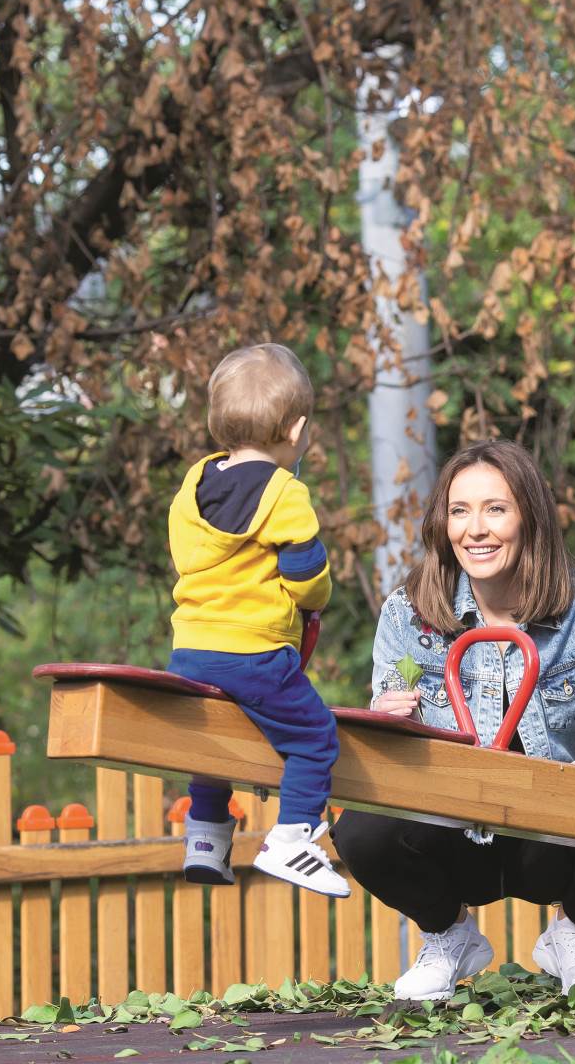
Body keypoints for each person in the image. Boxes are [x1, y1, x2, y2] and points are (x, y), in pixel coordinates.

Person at [333, 439, 575, 1001]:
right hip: (453, 833)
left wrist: (546, 793)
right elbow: (388, 753)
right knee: (362, 829)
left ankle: (573, 931)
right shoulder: (409, 613)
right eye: (460, 511)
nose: (475, 529)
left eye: (495, 509)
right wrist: (385, 721)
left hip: (549, 835)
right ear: (443, 523)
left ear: (529, 516)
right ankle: (448, 934)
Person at [166, 343, 348, 897]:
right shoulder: (286, 493)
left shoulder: (191, 488)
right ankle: (292, 837)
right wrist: (317, 596)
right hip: (254, 651)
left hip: (190, 648)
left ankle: (205, 835)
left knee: (213, 741)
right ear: (296, 431)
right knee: (315, 736)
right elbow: (304, 576)